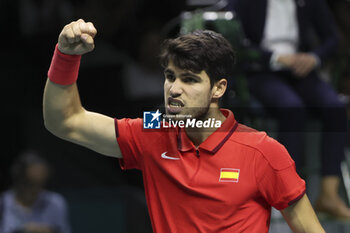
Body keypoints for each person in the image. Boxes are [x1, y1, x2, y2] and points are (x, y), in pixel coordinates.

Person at [43, 19, 326, 232]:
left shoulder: (263, 152)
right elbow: (66, 122)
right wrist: (66, 56)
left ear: (218, 88)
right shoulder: (153, 132)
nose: (174, 89)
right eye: (170, 76)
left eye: (189, 79)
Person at [228, 0, 350, 219]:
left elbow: (332, 38)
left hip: (301, 69)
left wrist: (314, 57)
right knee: (292, 108)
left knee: (336, 108)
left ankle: (329, 194)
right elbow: (232, 40)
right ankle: (289, 194)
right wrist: (273, 58)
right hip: (261, 70)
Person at [0, 151, 71, 233]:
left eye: (39, 184)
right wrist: (22, 230)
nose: (34, 189)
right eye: (29, 183)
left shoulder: (56, 202)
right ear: (18, 179)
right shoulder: (2, 202)